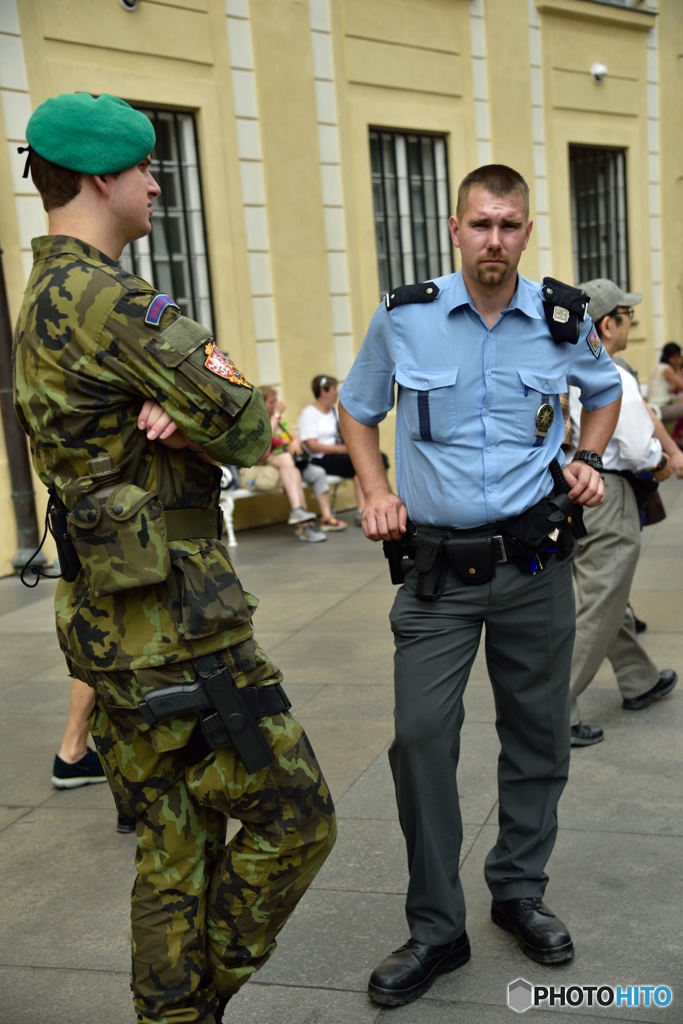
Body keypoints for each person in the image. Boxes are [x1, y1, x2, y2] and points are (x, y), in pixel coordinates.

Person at [13, 93, 335, 1024]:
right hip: (177, 629)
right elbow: (247, 420)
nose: (158, 182)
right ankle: (195, 997)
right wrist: (201, 420)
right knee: (296, 816)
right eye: (146, 168)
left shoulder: (42, 295)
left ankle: (169, 1014)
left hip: (109, 619)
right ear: (102, 177)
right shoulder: (110, 300)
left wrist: (181, 415)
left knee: (172, 838)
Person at [338, 164, 623, 1007]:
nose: (492, 240)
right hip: (435, 575)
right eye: (478, 224)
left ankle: (517, 891)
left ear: (526, 231)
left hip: (535, 564)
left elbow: (604, 395)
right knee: (420, 739)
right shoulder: (406, 316)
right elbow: (358, 410)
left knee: (537, 736)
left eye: (507, 225)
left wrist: (588, 457)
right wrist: (373, 490)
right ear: (454, 229)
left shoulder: (562, 320)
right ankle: (436, 927)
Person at [567, 279, 678, 746]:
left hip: (578, 491)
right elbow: (635, 444)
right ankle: (554, 710)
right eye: (627, 315)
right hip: (609, 493)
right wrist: (662, 461)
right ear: (607, 324)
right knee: (599, 605)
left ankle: (639, 679)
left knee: (605, 597)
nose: (631, 322)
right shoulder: (611, 372)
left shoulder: (565, 365)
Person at [261, 386, 346, 535]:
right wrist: (274, 415)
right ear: (262, 404)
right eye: (271, 402)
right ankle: (301, 517)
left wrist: (295, 442)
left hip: (295, 460)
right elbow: (266, 438)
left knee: (318, 472)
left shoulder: (280, 420)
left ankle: (326, 517)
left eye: (276, 401)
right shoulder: (261, 421)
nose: (275, 404)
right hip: (274, 457)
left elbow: (295, 437)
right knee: (290, 465)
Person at [299, 375, 366, 523]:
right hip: (320, 458)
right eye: (334, 389)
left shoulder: (335, 412)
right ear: (323, 391)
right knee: (360, 463)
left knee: (377, 458)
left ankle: (364, 508)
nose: (337, 393)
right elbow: (311, 444)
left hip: (338, 456)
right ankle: (362, 512)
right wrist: (341, 449)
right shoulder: (309, 414)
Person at [648, 342, 683, 428]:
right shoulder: (667, 369)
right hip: (661, 408)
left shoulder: (656, 367)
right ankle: (679, 438)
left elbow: (670, 390)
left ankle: (677, 437)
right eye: (677, 356)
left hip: (653, 406)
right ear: (673, 355)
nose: (677, 359)